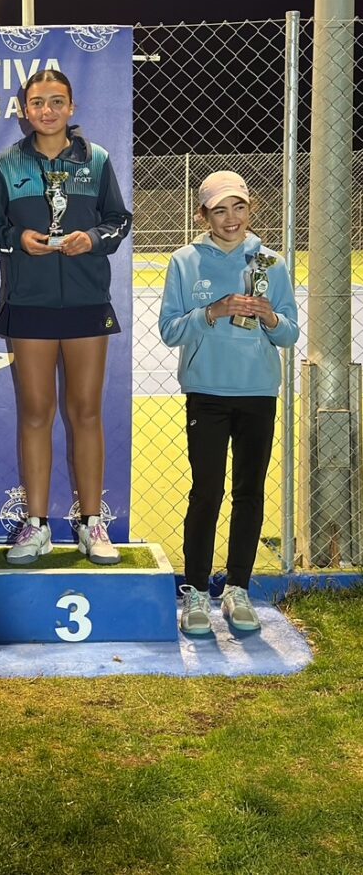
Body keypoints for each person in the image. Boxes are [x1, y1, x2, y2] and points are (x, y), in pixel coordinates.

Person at [0, 68, 132, 566]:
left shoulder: (98, 160)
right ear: (24, 109)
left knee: (85, 412)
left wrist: (93, 239)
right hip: (29, 306)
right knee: (36, 414)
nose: (47, 110)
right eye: (37, 102)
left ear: (72, 108)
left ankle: (91, 523)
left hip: (87, 302)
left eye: (56, 101)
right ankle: (37, 524)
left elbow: (119, 220)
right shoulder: (4, 164)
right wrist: (18, 240)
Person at [159, 171, 299, 634]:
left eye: (238, 207)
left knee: (249, 492)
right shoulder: (184, 261)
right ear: (203, 215)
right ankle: (196, 591)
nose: (231, 218)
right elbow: (169, 330)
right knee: (206, 491)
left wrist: (270, 316)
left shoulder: (271, 262)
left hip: (258, 390)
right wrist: (211, 313)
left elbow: (290, 333)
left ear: (251, 208)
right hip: (208, 393)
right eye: (220, 209)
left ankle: (237, 587)